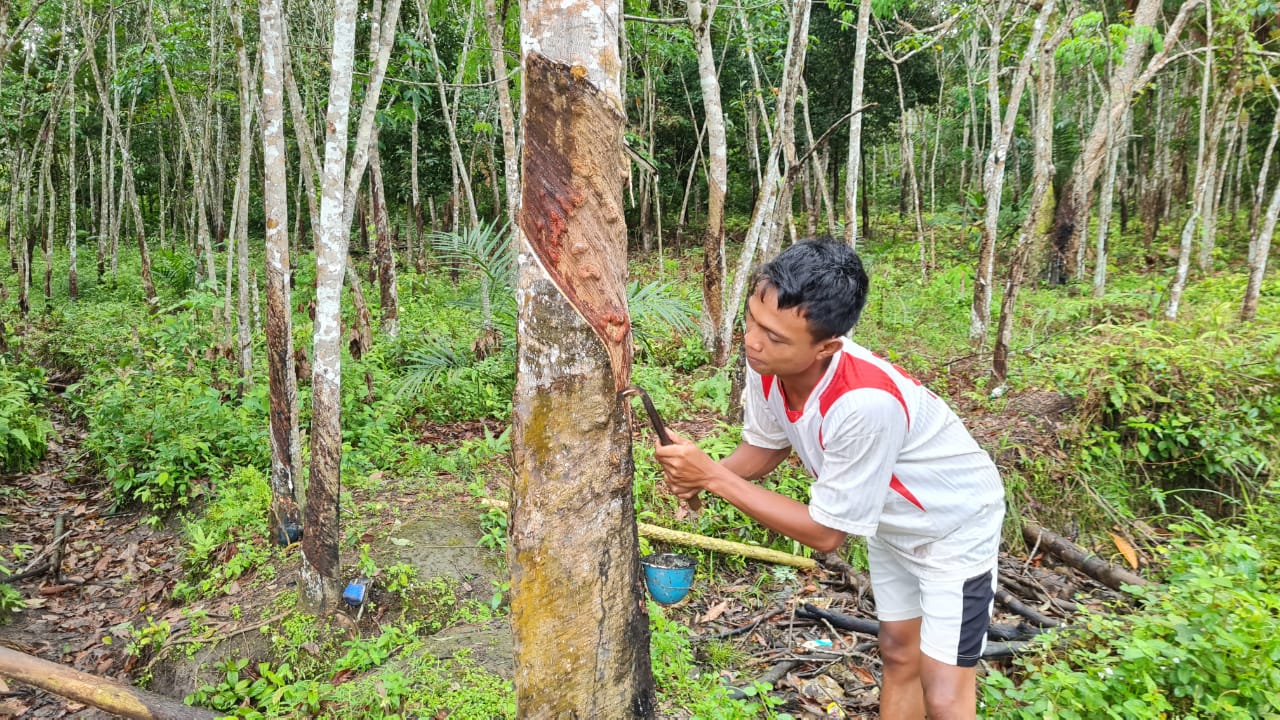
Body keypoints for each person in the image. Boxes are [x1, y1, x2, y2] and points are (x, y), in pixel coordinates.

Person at [654, 238, 1005, 720]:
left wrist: (713, 477)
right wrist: (693, 474)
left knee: (945, 692)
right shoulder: (768, 364)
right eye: (753, 321)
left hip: (953, 527)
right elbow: (767, 445)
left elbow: (825, 533)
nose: (754, 341)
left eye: (775, 336)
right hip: (890, 523)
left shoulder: (864, 403)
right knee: (899, 652)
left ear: (827, 346)